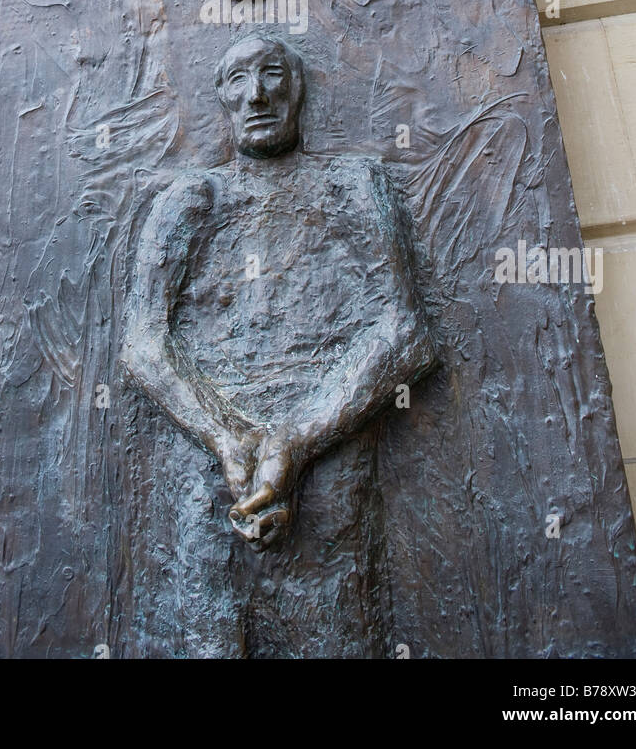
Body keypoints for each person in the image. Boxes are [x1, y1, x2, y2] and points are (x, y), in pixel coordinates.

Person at [121, 33, 436, 657]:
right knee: (211, 637)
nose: (257, 94)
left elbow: (404, 332)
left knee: (336, 637)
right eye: (239, 80)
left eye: (272, 75)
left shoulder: (351, 186)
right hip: (214, 469)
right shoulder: (190, 202)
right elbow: (144, 346)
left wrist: (293, 440)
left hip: (329, 457)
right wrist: (228, 439)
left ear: (298, 91)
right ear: (221, 99)